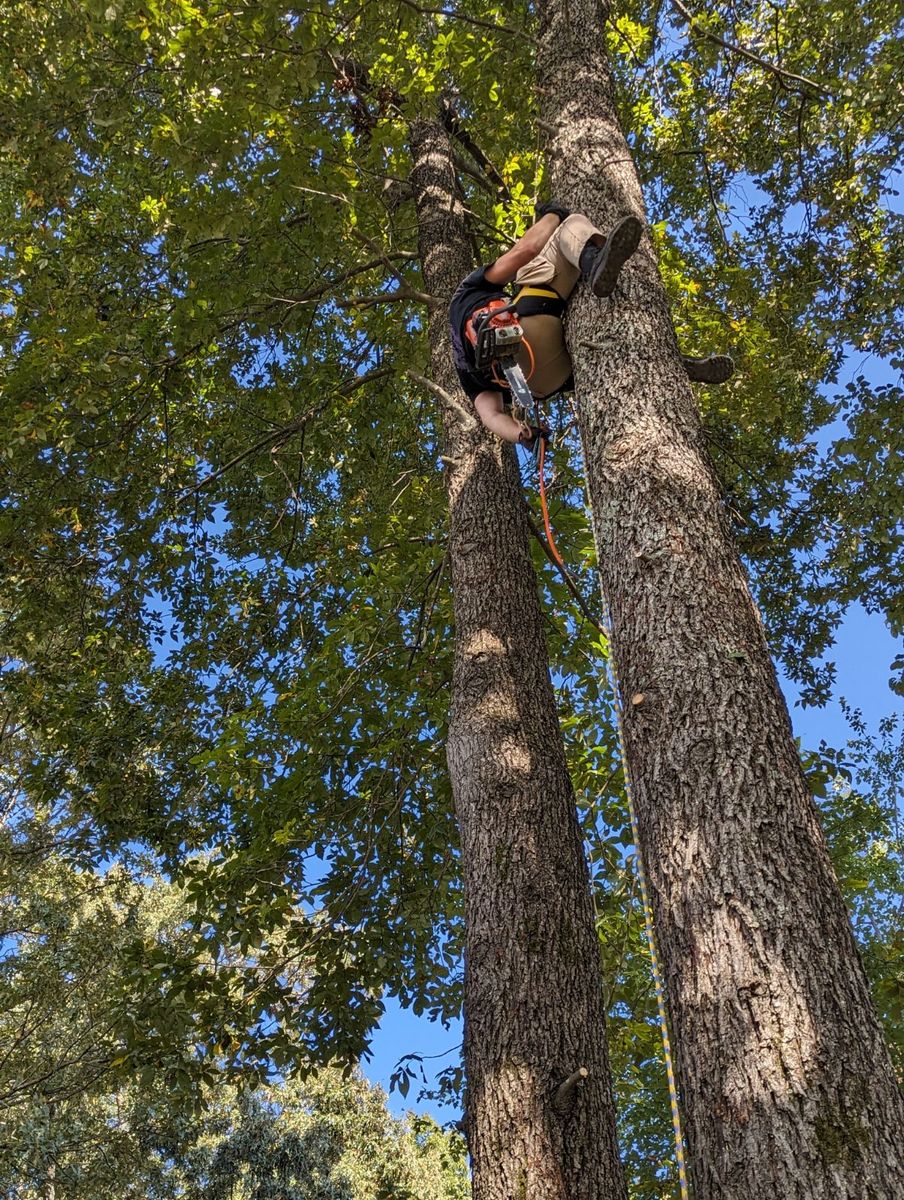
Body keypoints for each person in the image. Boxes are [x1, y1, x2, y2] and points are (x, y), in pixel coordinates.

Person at [448, 202, 734, 447]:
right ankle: (593, 262)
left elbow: (491, 416)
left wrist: (523, 434)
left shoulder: (464, 368)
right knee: (563, 232)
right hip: (528, 332)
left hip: (546, 382)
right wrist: (552, 215)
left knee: (609, 353)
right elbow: (526, 250)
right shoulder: (468, 292)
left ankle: (671, 364)